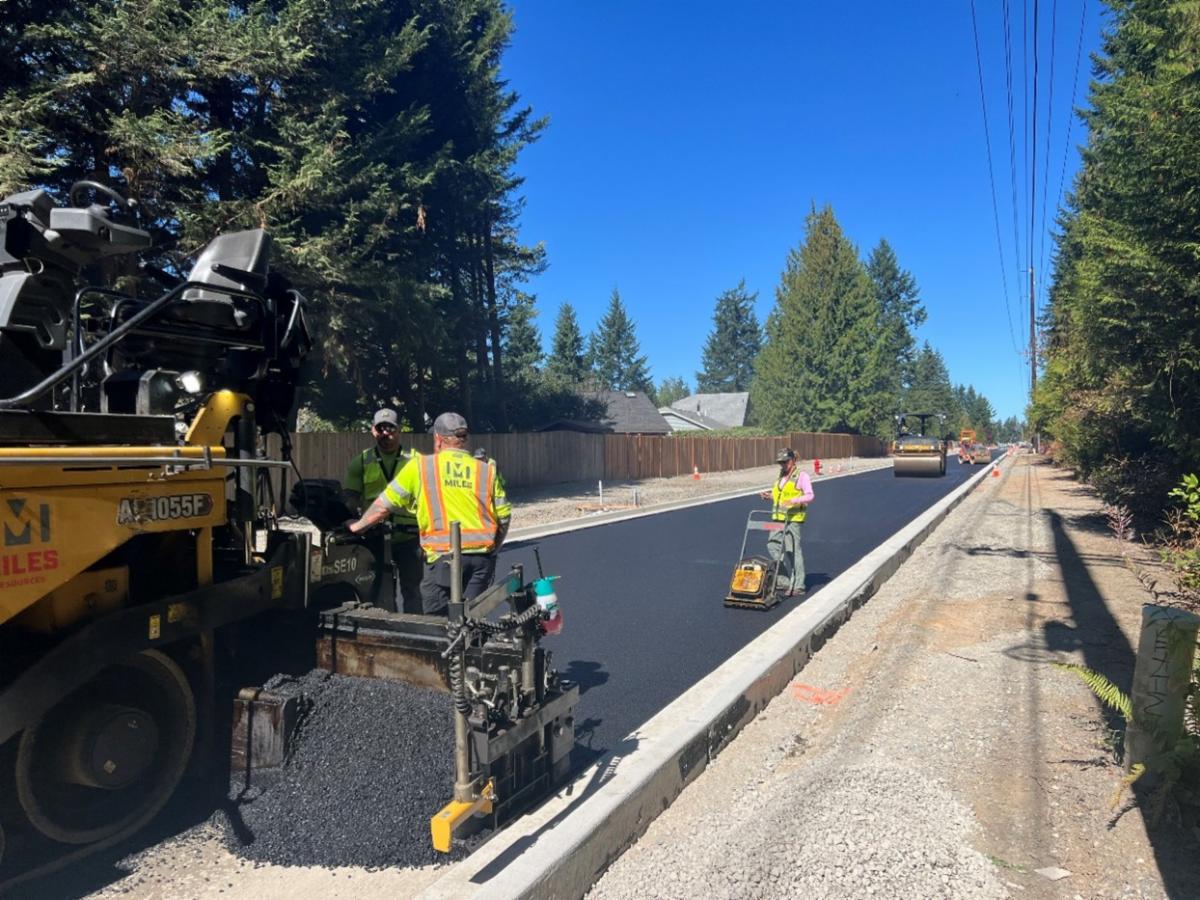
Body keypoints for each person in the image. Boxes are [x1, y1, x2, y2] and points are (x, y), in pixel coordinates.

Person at [347, 412, 510, 615]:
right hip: (482, 562)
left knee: (437, 625)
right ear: (464, 438)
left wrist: (357, 526)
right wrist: (494, 548)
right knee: (471, 621)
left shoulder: (421, 466)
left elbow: (383, 504)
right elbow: (504, 516)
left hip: (444, 560)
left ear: (438, 438)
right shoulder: (486, 469)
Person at [342, 408, 422, 613]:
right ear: (373, 431)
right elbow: (350, 497)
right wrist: (348, 521)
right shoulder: (361, 461)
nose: (386, 434)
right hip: (374, 537)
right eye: (381, 429)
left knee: (412, 590)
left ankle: (415, 632)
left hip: (408, 538)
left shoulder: (415, 460)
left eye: (391, 428)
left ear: (400, 430)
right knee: (379, 590)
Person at [758, 448, 813, 597]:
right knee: (772, 545)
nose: (783, 465)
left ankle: (799, 584)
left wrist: (793, 501)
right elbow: (780, 496)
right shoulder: (781, 475)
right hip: (778, 518)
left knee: (792, 550)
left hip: (792, 519)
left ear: (793, 460)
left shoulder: (801, 476)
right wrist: (769, 496)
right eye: (780, 463)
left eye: (785, 462)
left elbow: (809, 495)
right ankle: (783, 580)